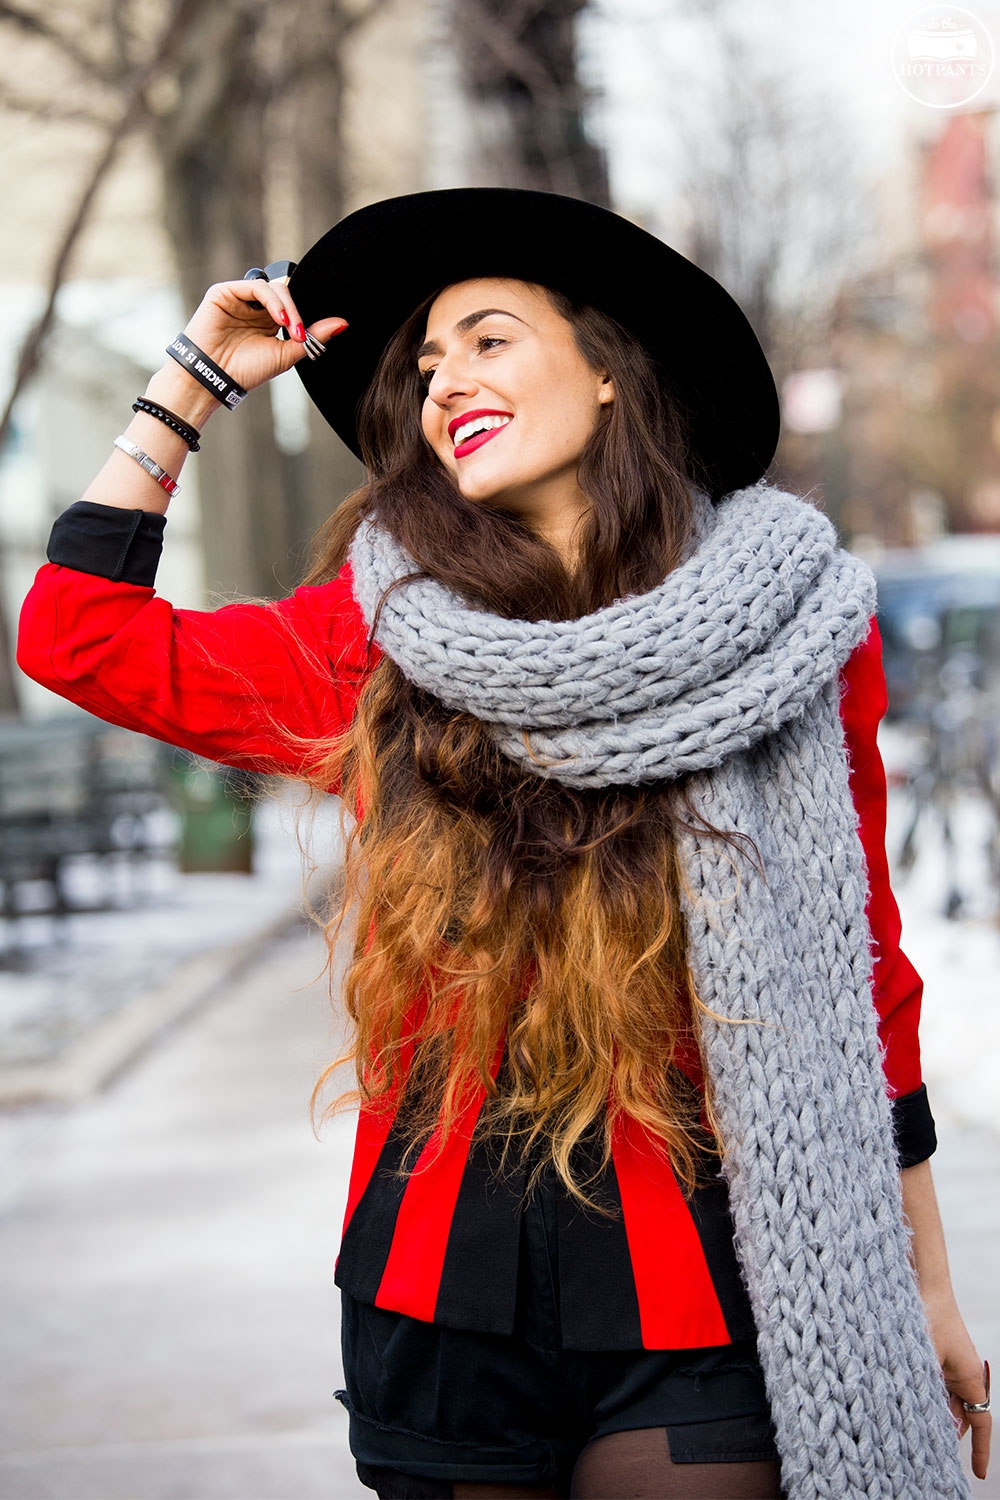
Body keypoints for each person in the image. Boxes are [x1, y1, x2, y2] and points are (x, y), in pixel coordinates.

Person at [17, 188, 991, 1500]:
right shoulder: (376, 643)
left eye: (487, 341)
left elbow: (864, 971)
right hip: (441, 1293)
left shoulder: (797, 630)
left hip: (705, 1278)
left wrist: (927, 1283)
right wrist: (193, 381)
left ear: (605, 373)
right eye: (424, 365)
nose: (443, 383)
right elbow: (76, 637)